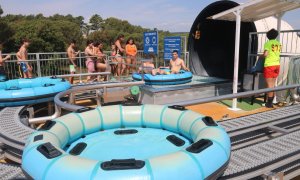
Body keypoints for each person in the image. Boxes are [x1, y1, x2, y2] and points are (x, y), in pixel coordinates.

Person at [261, 29, 281, 108]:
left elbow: (265, 54)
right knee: (273, 84)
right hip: (277, 64)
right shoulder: (278, 43)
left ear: (268, 36)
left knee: (269, 85)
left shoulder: (268, 43)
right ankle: (270, 102)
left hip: (269, 65)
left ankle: (269, 103)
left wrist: (260, 56)